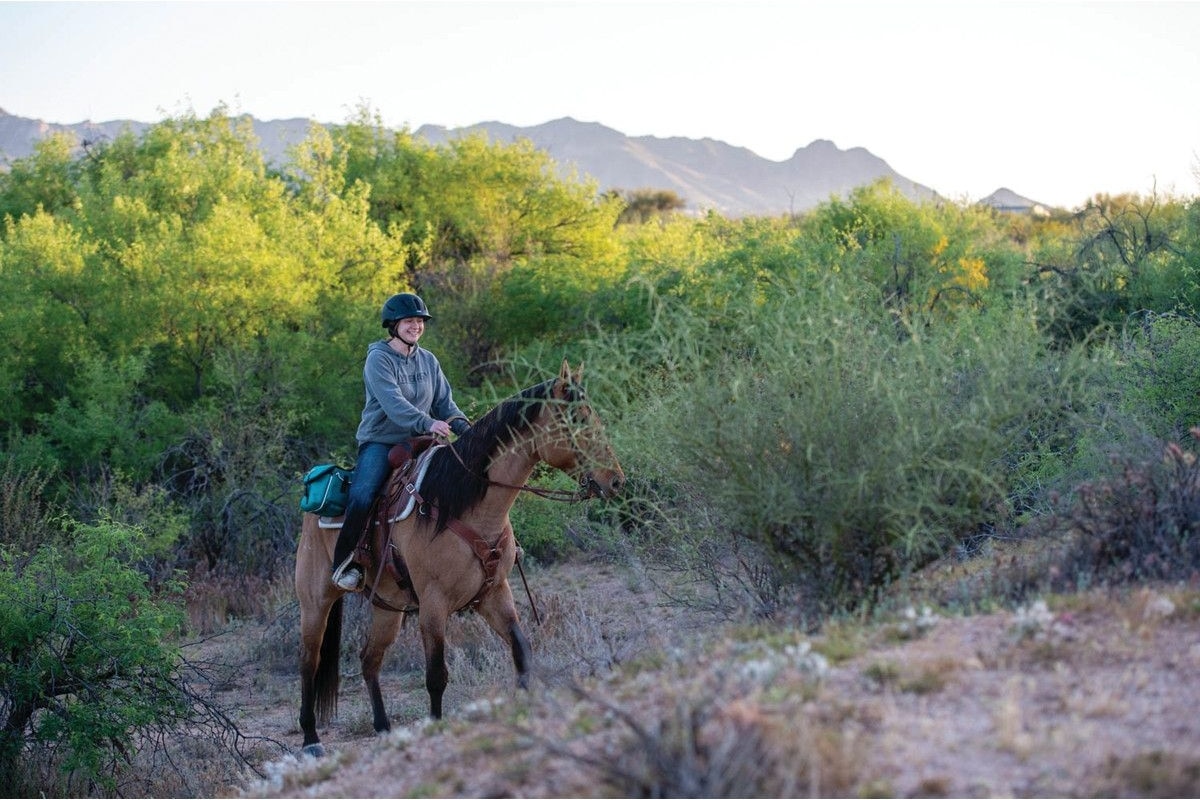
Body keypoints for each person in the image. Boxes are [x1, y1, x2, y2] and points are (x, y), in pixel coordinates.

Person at [331, 292, 471, 592]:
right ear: (393, 325)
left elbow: (445, 404)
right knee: (363, 495)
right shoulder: (378, 359)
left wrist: (467, 429)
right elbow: (394, 405)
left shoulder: (428, 360)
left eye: (420, 321)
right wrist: (428, 422)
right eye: (409, 321)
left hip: (424, 442)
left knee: (467, 479)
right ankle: (347, 562)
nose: (416, 326)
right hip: (382, 442)